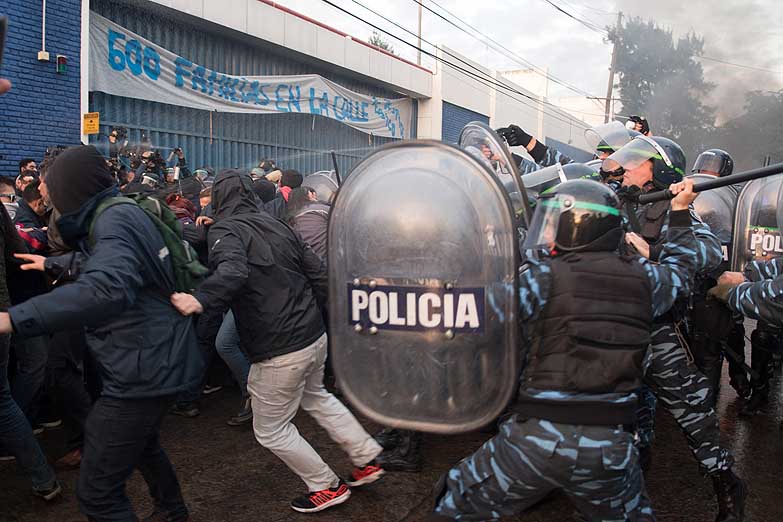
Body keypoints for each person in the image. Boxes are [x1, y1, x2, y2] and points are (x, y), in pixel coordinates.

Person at [431, 178, 699, 521]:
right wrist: (680, 212)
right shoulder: (649, 279)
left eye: (552, 223)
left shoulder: (544, 277)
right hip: (609, 449)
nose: (544, 234)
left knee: (455, 504)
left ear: (579, 226)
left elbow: (471, 313)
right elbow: (682, 272)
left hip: (534, 441)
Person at [0, 145, 202, 522]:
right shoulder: (120, 211)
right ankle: (173, 512)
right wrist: (54, 262)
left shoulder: (113, 220)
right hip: (155, 355)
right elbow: (110, 264)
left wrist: (13, 319)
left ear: (71, 187)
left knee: (97, 494)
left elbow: (107, 287)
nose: (42, 191)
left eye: (49, 185)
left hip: (142, 368)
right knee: (144, 445)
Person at [170, 170, 384, 513]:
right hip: (313, 334)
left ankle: (326, 486)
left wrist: (201, 299)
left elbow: (233, 271)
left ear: (221, 199)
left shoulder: (227, 230)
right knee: (317, 397)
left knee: (270, 429)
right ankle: (366, 459)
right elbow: (317, 273)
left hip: (278, 345)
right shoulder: (278, 224)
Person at [604, 135, 746, 521]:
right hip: (613, 327)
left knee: (692, 413)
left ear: (659, 172)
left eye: (636, 162)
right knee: (619, 412)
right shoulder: (612, 200)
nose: (625, 168)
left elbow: (708, 253)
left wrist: (658, 249)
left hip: (657, 329)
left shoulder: (676, 210)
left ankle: (727, 483)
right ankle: (632, 473)